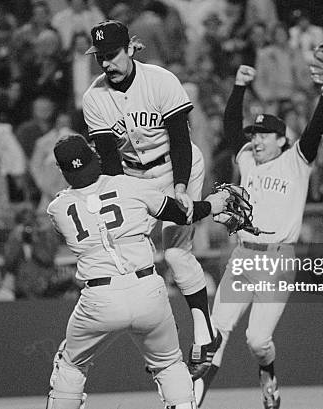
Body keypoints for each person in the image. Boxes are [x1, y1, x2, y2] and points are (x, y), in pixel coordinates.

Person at [44, 134, 229, 409]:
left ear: (62, 170)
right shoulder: (129, 185)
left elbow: (90, 206)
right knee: (169, 366)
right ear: (93, 156)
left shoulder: (57, 208)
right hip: (147, 289)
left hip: (98, 297)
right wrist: (216, 203)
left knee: (70, 364)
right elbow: (180, 213)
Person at [81, 19, 221, 378]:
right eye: (100, 57)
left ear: (130, 48)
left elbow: (178, 139)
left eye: (111, 54)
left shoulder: (160, 80)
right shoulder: (94, 97)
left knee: (175, 252)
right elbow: (110, 161)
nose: (106, 63)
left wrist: (178, 187)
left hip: (176, 166)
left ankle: (204, 333)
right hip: (131, 176)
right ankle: (220, 207)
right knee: (134, 260)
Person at [194, 55, 323, 408]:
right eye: (254, 135)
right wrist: (239, 87)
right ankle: (192, 400)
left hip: (278, 259)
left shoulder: (296, 161)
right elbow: (230, 127)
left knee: (258, 340)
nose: (256, 141)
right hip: (244, 257)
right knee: (216, 332)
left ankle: (268, 373)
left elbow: (316, 130)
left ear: (281, 139)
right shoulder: (246, 160)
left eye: (263, 136)